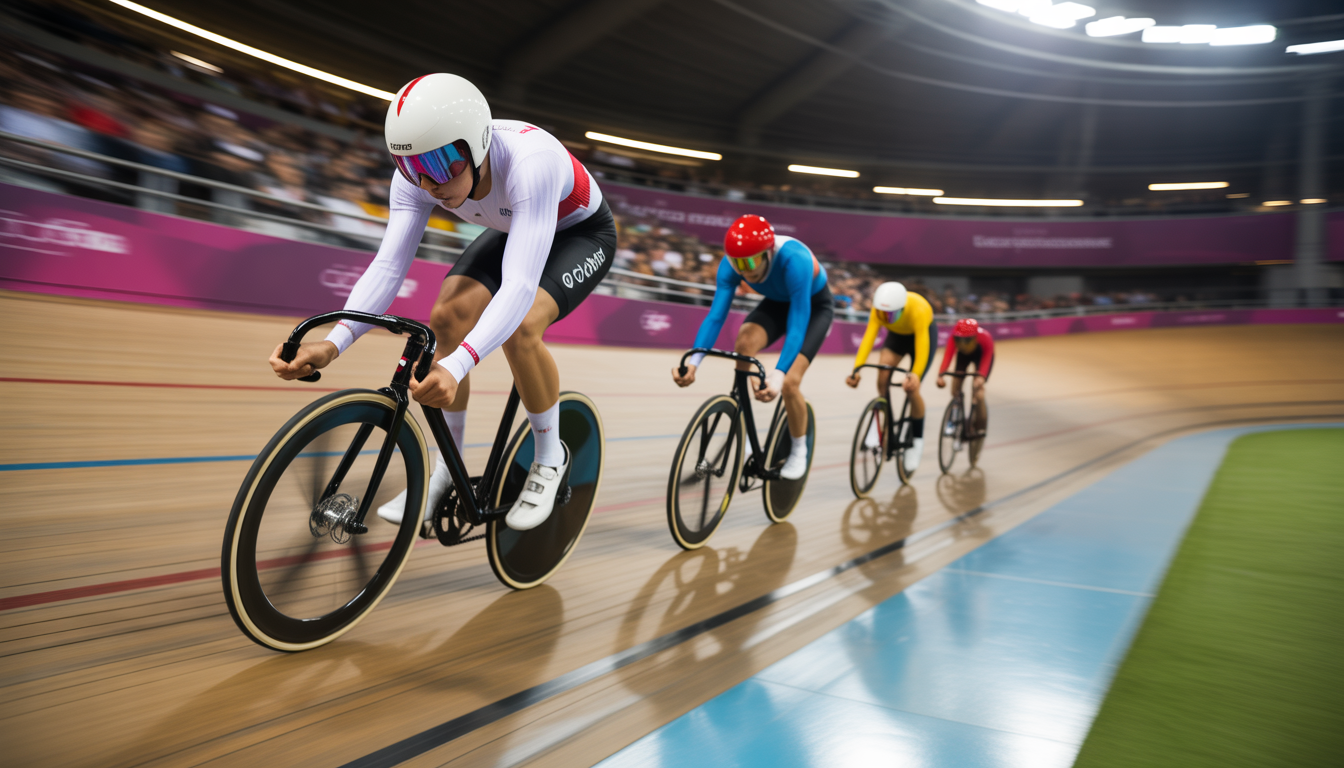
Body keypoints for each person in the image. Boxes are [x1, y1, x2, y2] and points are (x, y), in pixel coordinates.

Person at [269, 73, 615, 531]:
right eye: (411, 167)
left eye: (440, 164)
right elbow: (388, 267)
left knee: (522, 327)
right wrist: (333, 344)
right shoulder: (418, 178)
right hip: (516, 222)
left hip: (580, 234)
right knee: (446, 317)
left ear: (477, 145)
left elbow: (518, 287)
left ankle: (551, 458)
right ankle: (448, 470)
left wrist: (457, 366)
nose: (428, 183)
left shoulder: (531, 163)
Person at [671, 214, 833, 480]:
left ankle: (798, 450)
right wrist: (693, 362)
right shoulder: (731, 266)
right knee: (744, 342)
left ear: (768, 252)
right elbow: (715, 317)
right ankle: (746, 433)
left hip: (813, 308)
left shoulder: (795, 260)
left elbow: (797, 323)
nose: (743, 270)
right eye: (737, 263)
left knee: (790, 383)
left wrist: (778, 374)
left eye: (749, 262)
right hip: (777, 303)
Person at [845, 282, 936, 474]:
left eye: (891, 315)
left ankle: (917, 440)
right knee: (882, 378)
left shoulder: (918, 309)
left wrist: (915, 375)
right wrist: (856, 370)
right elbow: (869, 338)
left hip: (921, 336)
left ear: (902, 308)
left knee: (912, 389)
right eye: (883, 314)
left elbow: (922, 345)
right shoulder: (878, 309)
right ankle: (885, 426)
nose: (886, 318)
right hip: (897, 337)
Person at [936, 318, 994, 434]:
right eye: (959, 340)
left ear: (975, 337)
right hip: (963, 356)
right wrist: (941, 375)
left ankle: (979, 425)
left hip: (981, 356)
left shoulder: (985, 338)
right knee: (955, 389)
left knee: (978, 392)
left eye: (966, 340)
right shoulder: (954, 336)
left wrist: (981, 377)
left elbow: (987, 359)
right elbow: (948, 355)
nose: (962, 343)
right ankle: (954, 415)